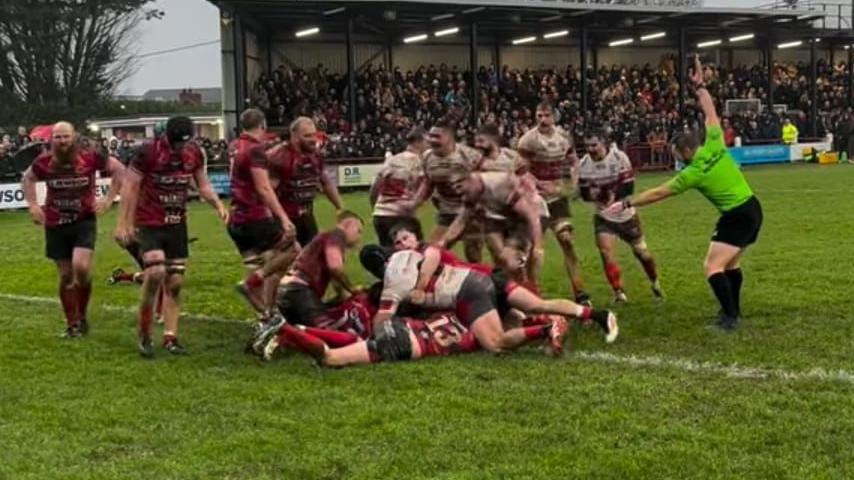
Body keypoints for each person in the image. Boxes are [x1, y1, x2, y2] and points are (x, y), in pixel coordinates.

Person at [605, 55, 763, 330]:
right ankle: (732, 310)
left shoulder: (693, 173)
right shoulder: (714, 142)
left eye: (676, 153)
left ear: (687, 151)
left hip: (737, 215)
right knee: (730, 265)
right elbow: (711, 111)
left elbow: (659, 193)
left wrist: (627, 202)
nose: (675, 157)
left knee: (712, 268)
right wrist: (700, 86)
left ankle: (730, 318)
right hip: (752, 208)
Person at [115, 116, 228, 357]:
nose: (179, 148)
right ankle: (145, 332)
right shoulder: (148, 152)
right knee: (155, 273)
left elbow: (203, 184)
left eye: (184, 143)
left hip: (177, 221)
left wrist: (218, 205)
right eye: (176, 143)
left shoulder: (194, 153)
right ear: (167, 136)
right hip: (149, 220)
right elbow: (130, 187)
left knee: (175, 283)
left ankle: (170, 337)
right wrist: (123, 224)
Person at [21, 122, 124, 337]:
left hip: (83, 221)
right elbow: (27, 178)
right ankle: (72, 323)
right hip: (56, 223)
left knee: (81, 268)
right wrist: (32, 205)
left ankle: (83, 314)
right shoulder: (44, 162)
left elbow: (119, 170)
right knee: (66, 275)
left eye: (66, 136)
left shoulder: (90, 157)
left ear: (74, 137)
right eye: (58, 137)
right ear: (52, 140)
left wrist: (108, 198)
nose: (62, 141)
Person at [227, 108, 299, 317]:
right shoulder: (255, 149)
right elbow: (263, 187)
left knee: (258, 263)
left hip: (236, 217)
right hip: (254, 215)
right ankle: (252, 285)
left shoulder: (235, 145)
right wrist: (284, 218)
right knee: (292, 250)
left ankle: (266, 318)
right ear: (263, 125)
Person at [517, 101, 589, 304]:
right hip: (535, 200)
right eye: (539, 116)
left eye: (546, 115)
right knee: (535, 250)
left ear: (554, 117)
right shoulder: (527, 140)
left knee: (567, 241)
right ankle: (532, 293)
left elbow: (573, 161)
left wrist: (572, 184)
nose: (542, 120)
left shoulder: (564, 137)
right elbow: (520, 170)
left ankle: (580, 293)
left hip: (558, 198)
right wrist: (537, 184)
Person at [578, 131, 662, 304]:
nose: (590, 149)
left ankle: (654, 281)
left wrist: (611, 195)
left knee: (642, 253)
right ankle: (619, 293)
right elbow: (584, 194)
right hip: (603, 216)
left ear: (604, 143)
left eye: (594, 145)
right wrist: (593, 195)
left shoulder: (619, 158)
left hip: (626, 215)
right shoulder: (584, 164)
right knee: (606, 252)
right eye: (587, 145)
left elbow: (629, 188)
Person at [273, 211, 365, 329]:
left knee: (303, 334)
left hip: (286, 291)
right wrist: (352, 288)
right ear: (348, 224)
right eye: (358, 231)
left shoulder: (324, 239)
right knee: (327, 332)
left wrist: (342, 297)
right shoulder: (336, 236)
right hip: (300, 291)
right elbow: (335, 268)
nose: (359, 237)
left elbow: (336, 283)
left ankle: (278, 332)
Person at [267, 117, 344, 247]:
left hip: (306, 216)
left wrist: (341, 208)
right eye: (307, 136)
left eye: (314, 134)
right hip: (283, 218)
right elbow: (266, 192)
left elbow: (325, 183)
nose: (313, 139)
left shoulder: (315, 155)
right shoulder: (279, 157)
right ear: (295, 137)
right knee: (286, 258)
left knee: (312, 259)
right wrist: (279, 220)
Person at [421, 117, 484, 262]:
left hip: (470, 214)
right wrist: (416, 201)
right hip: (446, 213)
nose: (432, 140)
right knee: (432, 251)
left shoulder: (470, 156)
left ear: (449, 138)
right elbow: (428, 183)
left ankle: (479, 280)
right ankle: (435, 281)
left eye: (437, 136)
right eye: (430, 136)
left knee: (473, 254)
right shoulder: (427, 157)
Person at [370, 127, 429, 248]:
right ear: (419, 141)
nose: (429, 146)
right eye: (427, 142)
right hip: (402, 216)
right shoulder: (421, 163)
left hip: (380, 215)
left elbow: (375, 187)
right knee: (415, 253)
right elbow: (425, 190)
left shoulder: (392, 160)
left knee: (387, 256)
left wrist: (376, 207)